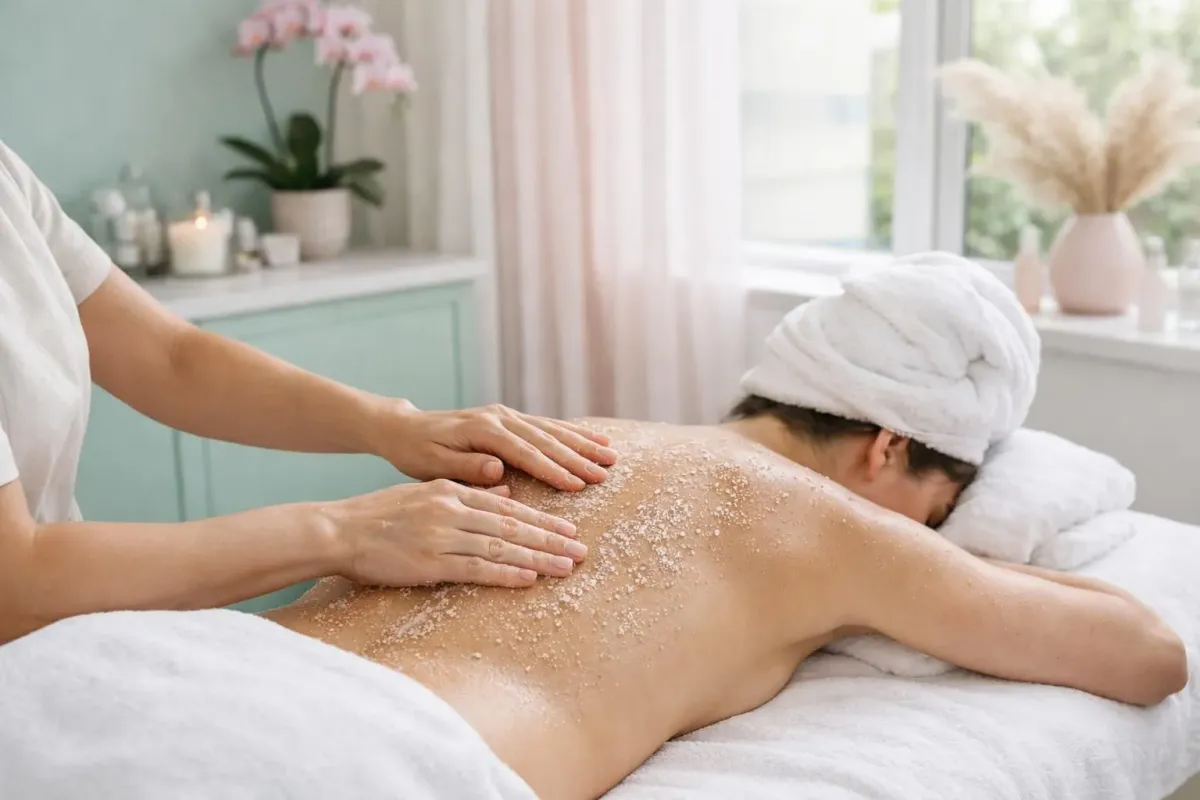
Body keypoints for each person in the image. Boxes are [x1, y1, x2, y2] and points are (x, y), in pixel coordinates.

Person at [262, 254, 1187, 799]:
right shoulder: (824, 523)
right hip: (359, 769)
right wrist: (936, 558)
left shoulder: (577, 438)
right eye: (940, 514)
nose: (932, 536)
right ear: (885, 449)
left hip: (215, 674)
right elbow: (1149, 652)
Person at [0, 140, 618, 645]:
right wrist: (342, 531)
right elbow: (15, 582)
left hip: (63, 640)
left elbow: (170, 358)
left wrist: (394, 424)